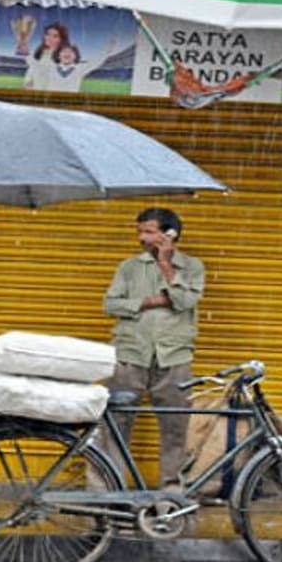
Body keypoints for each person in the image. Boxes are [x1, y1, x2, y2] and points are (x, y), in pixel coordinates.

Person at [102, 207, 206, 490]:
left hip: (174, 359)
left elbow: (185, 301)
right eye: (140, 231)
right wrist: (149, 302)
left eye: (148, 231)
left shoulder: (193, 267)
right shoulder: (128, 267)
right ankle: (107, 496)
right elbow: (110, 305)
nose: (141, 238)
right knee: (115, 426)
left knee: (175, 429)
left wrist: (165, 264)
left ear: (169, 234)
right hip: (129, 356)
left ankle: (170, 496)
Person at [42, 35, 120, 93]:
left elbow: (96, 62)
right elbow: (43, 58)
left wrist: (108, 50)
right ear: (58, 55)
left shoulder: (80, 68)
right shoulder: (51, 67)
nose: (67, 53)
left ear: (76, 56)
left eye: (71, 52)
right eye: (64, 51)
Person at [23, 23, 70, 91]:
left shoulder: (65, 56)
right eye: (47, 34)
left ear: (61, 39)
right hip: (35, 93)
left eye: (55, 36)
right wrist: (28, 83)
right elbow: (30, 73)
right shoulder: (40, 52)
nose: (49, 38)